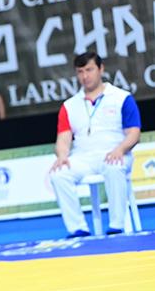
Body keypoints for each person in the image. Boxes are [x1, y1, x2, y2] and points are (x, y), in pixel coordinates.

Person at [49, 52, 141, 238]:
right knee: (59, 174)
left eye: (89, 70)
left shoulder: (121, 97)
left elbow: (134, 133)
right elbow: (63, 138)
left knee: (114, 167)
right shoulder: (69, 105)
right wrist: (62, 155)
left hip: (114, 152)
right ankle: (78, 228)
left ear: (101, 69)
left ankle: (116, 225)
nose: (85, 76)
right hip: (83, 157)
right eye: (80, 72)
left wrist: (120, 149)